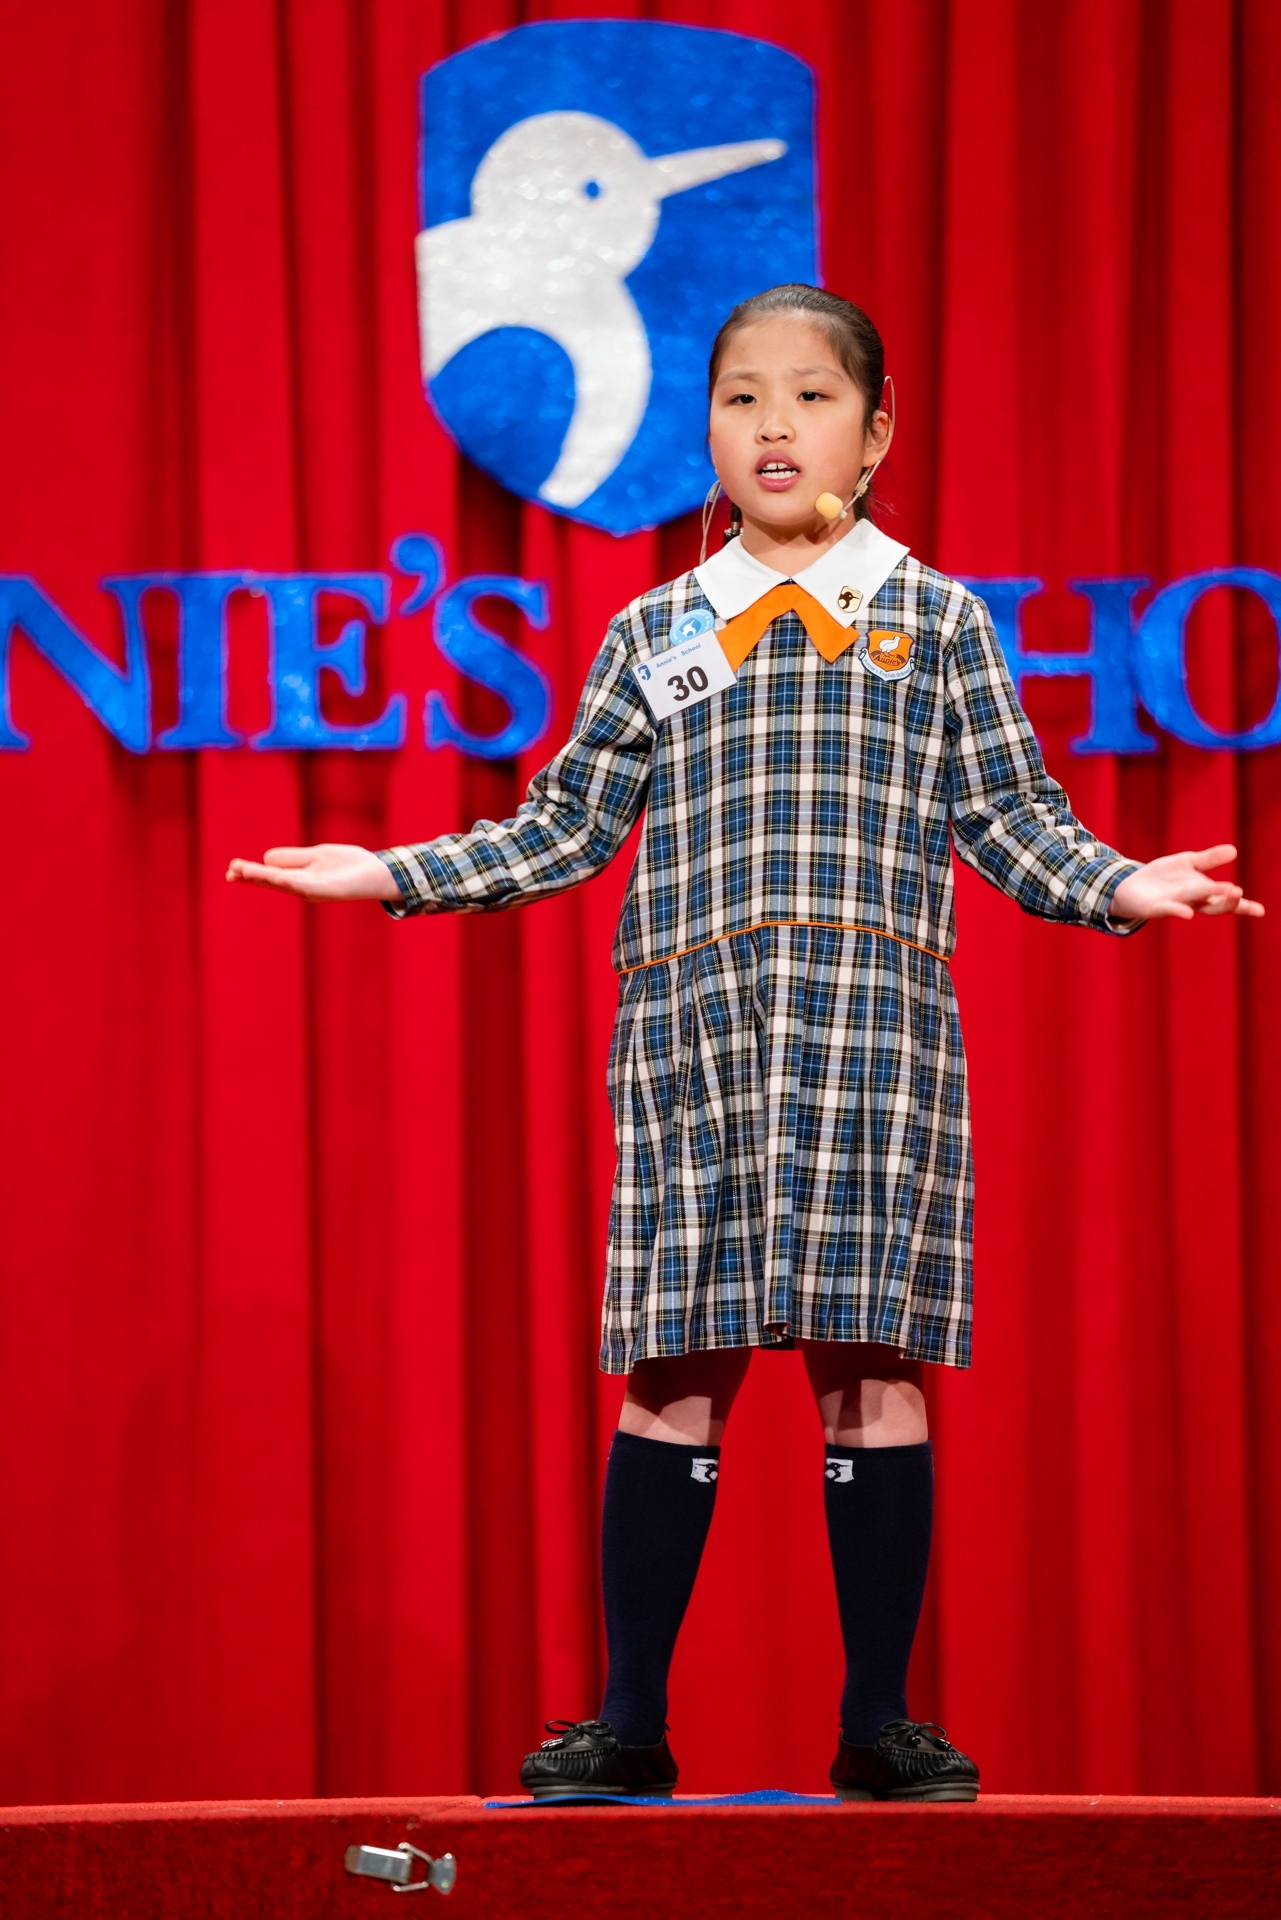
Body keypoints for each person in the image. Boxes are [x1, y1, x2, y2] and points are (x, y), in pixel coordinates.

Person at [228, 284, 1262, 1804]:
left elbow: (1013, 820)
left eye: (811, 395)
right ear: (707, 432)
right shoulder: (655, 628)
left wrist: (1121, 883)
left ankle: (878, 1724)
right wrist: (392, 871)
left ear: (876, 431)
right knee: (673, 1371)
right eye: (740, 397)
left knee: (873, 1376)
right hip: (690, 1045)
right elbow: (566, 827)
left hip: (874, 1045)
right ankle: (629, 1722)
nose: (775, 424)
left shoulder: (936, 622)